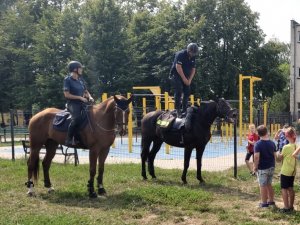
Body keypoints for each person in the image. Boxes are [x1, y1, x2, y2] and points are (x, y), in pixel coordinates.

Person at [63, 61, 94, 146]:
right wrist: (80, 97)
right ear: (75, 69)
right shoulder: (67, 80)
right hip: (72, 104)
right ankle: (68, 139)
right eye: (80, 68)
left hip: (82, 103)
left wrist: (90, 97)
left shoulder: (80, 80)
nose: (82, 70)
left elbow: (86, 91)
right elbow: (67, 95)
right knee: (76, 118)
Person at [170, 43, 199, 119]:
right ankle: (177, 109)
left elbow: (193, 69)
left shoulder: (193, 57)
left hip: (186, 76)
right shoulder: (180, 54)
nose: (193, 54)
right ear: (188, 50)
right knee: (179, 90)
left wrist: (189, 80)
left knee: (187, 91)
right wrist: (184, 79)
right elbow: (178, 67)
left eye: (194, 53)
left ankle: (184, 110)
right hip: (176, 74)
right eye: (192, 52)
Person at [253, 125, 276, 208]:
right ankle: (271, 201)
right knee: (269, 184)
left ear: (258, 134)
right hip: (271, 166)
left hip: (262, 168)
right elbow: (275, 155)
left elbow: (256, 157)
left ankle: (264, 203)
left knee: (262, 185)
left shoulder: (258, 144)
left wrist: (255, 166)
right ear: (267, 132)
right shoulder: (272, 143)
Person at [277, 127, 297, 213]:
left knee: (284, 189)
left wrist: (277, 154)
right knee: (290, 188)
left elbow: (279, 159)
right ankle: (291, 206)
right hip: (292, 171)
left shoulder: (286, 147)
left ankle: (286, 207)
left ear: (287, 136)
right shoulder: (296, 146)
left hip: (285, 171)